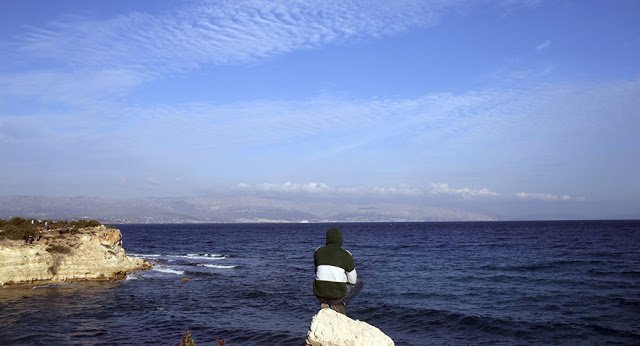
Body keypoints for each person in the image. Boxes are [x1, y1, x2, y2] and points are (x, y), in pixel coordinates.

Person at [313, 227, 363, 315]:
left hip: (320, 294)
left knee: (324, 282)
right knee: (359, 283)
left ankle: (325, 304)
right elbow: (352, 280)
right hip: (336, 296)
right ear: (340, 240)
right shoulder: (346, 254)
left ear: (327, 239)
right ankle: (340, 304)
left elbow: (316, 271)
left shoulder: (318, 252)